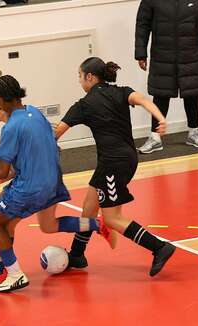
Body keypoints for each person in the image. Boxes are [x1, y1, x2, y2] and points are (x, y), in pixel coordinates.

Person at [0, 75, 113, 293]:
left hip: (30, 188)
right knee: (9, 212)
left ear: (1, 101)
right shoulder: (34, 113)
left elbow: (1, 171)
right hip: (52, 182)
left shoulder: (11, 128)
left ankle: (11, 273)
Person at [55, 57, 176, 276]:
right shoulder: (121, 92)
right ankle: (77, 254)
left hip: (113, 164)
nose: (80, 81)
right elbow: (143, 100)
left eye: (80, 76)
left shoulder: (83, 105)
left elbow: (55, 133)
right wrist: (160, 118)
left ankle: (159, 248)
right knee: (89, 206)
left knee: (111, 218)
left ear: (90, 77)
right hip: (124, 159)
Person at [135, 0, 198, 154]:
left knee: (192, 92)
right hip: (162, 54)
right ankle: (155, 137)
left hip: (193, 53)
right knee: (161, 94)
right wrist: (141, 53)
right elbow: (142, 24)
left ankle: (193, 133)